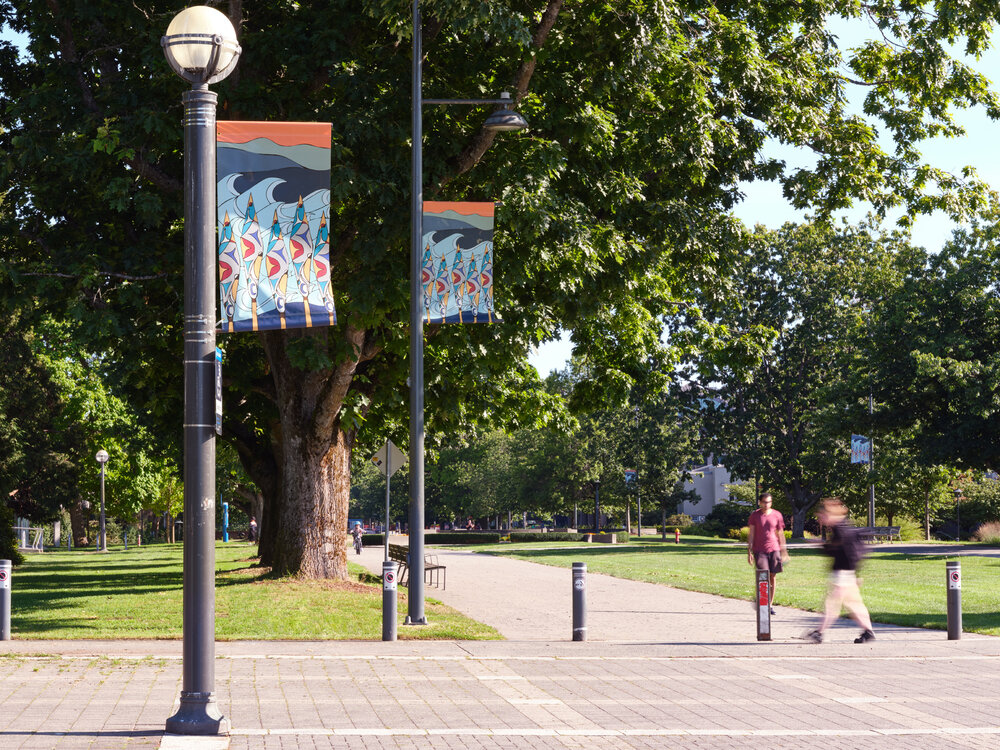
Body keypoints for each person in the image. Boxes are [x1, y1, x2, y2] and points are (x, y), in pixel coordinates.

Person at [807, 498, 875, 644]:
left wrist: (821, 545)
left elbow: (842, 553)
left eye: (822, 516)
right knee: (854, 604)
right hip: (847, 573)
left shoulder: (840, 530)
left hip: (843, 573)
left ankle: (819, 632)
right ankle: (868, 631)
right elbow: (843, 551)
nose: (821, 519)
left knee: (832, 604)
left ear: (829, 515)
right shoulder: (842, 528)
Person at [747, 492, 789, 615]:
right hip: (759, 550)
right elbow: (751, 534)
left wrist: (784, 550)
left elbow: (780, 533)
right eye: (764, 502)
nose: (767, 504)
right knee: (763, 576)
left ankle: (769, 605)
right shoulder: (755, 515)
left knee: (772, 576)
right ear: (760, 502)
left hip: (774, 548)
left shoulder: (777, 515)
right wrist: (748, 552)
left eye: (769, 502)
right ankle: (762, 601)